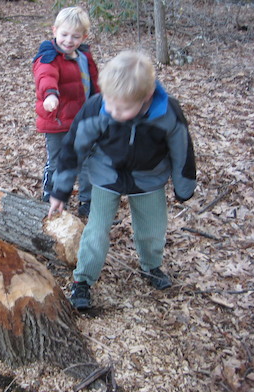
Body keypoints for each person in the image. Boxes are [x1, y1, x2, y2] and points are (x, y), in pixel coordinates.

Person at [47, 50, 197, 310]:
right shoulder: (97, 106)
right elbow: (74, 147)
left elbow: (182, 148)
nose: (113, 111)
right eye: (110, 103)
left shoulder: (166, 112)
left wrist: (184, 187)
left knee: (152, 230)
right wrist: (60, 190)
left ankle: (151, 266)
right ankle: (82, 280)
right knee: (96, 230)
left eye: (122, 108)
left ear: (146, 98)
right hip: (106, 174)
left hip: (148, 178)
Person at [33, 6, 100, 217]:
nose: (69, 40)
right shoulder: (49, 54)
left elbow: (94, 84)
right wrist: (50, 94)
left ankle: (88, 202)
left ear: (84, 37)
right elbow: (46, 76)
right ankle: (51, 197)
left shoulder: (84, 56)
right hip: (58, 122)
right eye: (64, 34)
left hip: (84, 122)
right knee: (58, 161)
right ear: (54, 31)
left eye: (75, 36)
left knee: (89, 161)